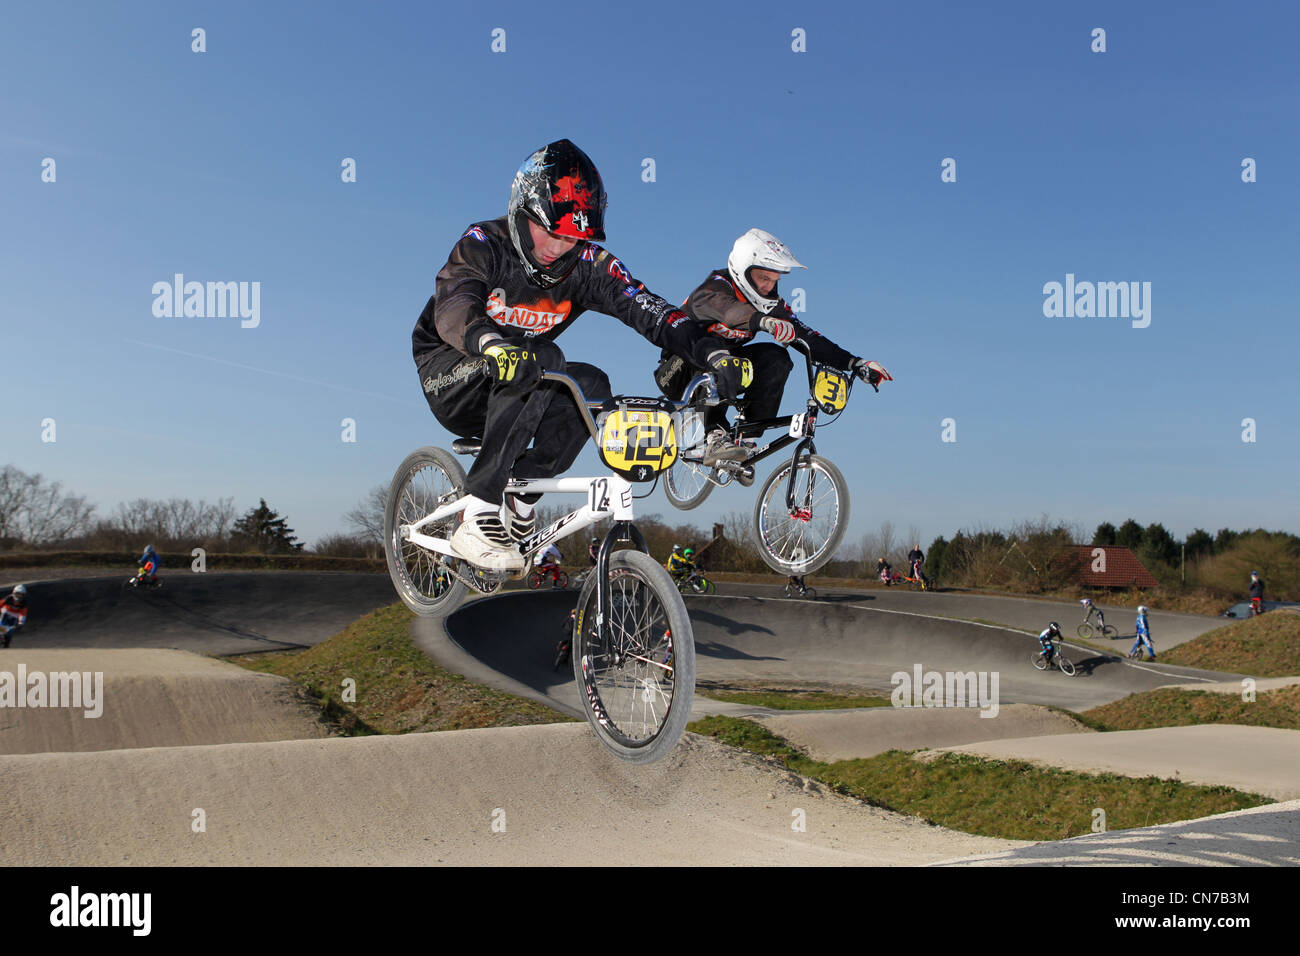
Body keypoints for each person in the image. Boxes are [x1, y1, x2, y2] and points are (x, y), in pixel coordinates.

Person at [412, 139, 747, 571]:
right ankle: (478, 509)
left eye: (573, 237)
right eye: (550, 232)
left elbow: (654, 312)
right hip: (454, 369)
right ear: (521, 213)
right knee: (544, 356)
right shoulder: (484, 242)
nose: (557, 248)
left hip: (524, 380)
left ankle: (524, 492)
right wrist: (489, 342)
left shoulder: (587, 264)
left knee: (591, 383)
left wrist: (712, 353)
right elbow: (455, 302)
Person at [652, 228, 892, 465]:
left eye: (774, 280)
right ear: (742, 271)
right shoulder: (714, 288)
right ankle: (715, 434)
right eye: (763, 278)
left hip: (729, 372)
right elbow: (730, 310)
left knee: (777, 357)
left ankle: (747, 437)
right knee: (716, 353)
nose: (768, 287)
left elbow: (808, 337)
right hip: (677, 372)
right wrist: (763, 321)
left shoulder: (771, 305)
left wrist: (854, 363)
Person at [1, 584, 28, 648]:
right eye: (18, 594)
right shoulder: (8, 598)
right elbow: (0, 603)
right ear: (14, 593)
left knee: (10, 630)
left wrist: (21, 621)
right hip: (6, 613)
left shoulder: (24, 603)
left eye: (21, 595)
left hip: (15, 616)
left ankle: (6, 645)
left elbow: (23, 613)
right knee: (1, 625)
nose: (19, 596)